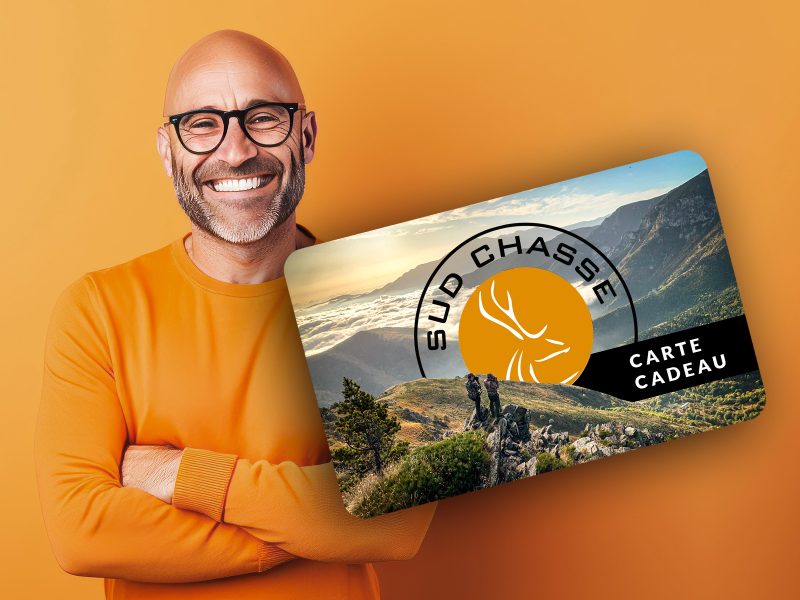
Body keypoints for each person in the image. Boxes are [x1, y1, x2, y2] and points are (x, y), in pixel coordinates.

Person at [34, 30, 436, 600]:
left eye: (264, 117)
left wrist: (176, 476)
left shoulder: (392, 303)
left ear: (308, 134)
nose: (236, 150)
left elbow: (398, 525)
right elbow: (82, 534)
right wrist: (314, 526)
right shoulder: (98, 309)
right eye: (201, 123)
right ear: (166, 148)